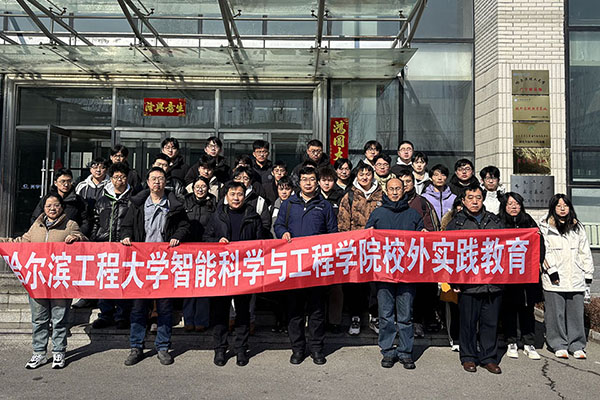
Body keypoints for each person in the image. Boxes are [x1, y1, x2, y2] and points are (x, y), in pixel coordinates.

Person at [1, 193, 86, 369]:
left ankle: (59, 352)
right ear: (44, 208)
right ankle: (39, 353)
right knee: (39, 319)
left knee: (59, 319)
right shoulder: (37, 226)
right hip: (38, 280)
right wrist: (3, 243)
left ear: (62, 207)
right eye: (48, 206)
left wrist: (77, 238)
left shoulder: (70, 225)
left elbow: (84, 241)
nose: (52, 209)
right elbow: (21, 242)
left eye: (56, 205)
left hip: (60, 281)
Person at [120, 166, 190, 366]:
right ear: (148, 182)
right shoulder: (138, 204)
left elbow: (185, 226)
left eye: (160, 178)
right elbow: (125, 226)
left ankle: (163, 347)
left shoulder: (174, 205)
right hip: (141, 262)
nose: (157, 182)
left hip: (164, 263)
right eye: (153, 179)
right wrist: (126, 236)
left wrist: (177, 236)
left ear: (165, 181)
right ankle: (136, 346)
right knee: (138, 307)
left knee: (165, 307)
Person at [274, 166, 338, 366]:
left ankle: (317, 348)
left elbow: (332, 232)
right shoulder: (289, 204)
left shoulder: (324, 205)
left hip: (317, 266)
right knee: (295, 311)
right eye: (304, 179)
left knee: (317, 311)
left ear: (317, 182)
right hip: (294, 266)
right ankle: (298, 349)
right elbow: (278, 225)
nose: (308, 183)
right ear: (299, 182)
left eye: (311, 179)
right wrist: (283, 233)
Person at [204, 181, 265, 367]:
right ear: (226, 196)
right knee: (220, 311)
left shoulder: (253, 216)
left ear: (244, 196)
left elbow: (261, 242)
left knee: (243, 312)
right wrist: (217, 241)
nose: (236, 198)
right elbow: (206, 238)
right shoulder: (217, 216)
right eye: (232, 194)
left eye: (239, 194)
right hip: (222, 270)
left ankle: (241, 349)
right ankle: (220, 349)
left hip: (244, 270)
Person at [365, 178, 424, 370]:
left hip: (407, 273)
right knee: (386, 315)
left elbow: (423, 241)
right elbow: (366, 239)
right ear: (386, 190)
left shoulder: (413, 214)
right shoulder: (377, 213)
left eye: (398, 188)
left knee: (406, 315)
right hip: (384, 273)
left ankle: (406, 352)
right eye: (391, 189)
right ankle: (388, 351)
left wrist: (424, 234)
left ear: (404, 189)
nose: (395, 192)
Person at [446, 183, 503, 374]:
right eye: (470, 198)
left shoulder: (495, 221)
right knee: (468, 323)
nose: (475, 202)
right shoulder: (456, 224)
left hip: (492, 282)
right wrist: (454, 280)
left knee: (490, 323)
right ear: (463, 201)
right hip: (468, 284)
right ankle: (468, 356)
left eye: (478, 197)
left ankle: (489, 357)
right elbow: (449, 254)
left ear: (483, 199)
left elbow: (508, 247)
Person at [539, 194, 594, 360]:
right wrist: (552, 271)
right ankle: (558, 343)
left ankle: (576, 345)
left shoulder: (578, 227)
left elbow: (585, 251)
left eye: (565, 205)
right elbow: (544, 251)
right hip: (554, 277)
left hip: (575, 276)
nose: (562, 209)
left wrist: (588, 273)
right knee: (555, 314)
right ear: (553, 208)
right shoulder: (545, 226)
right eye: (558, 206)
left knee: (575, 313)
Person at [337, 161, 383, 335]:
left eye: (368, 174)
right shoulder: (349, 196)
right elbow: (343, 224)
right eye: (361, 174)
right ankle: (355, 317)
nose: (365, 177)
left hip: (376, 248)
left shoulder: (382, 195)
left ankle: (374, 316)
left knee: (375, 284)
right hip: (355, 247)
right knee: (354, 284)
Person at [498, 192, 544, 360]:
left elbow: (540, 244)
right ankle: (511, 341)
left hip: (526, 274)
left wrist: (538, 261)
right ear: (504, 206)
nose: (514, 207)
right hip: (506, 274)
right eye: (510, 204)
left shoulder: (528, 221)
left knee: (527, 310)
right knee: (508, 309)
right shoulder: (498, 222)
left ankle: (528, 342)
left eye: (517, 203)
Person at [89, 162, 133, 330]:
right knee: (105, 281)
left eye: (122, 177)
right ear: (111, 178)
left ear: (127, 178)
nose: (118, 180)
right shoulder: (102, 200)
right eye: (115, 177)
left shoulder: (132, 200)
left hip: (124, 247)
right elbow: (95, 222)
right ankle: (105, 314)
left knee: (123, 281)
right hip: (104, 246)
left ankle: (122, 315)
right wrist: (94, 241)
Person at [182, 176, 217, 333]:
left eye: (203, 186)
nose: (200, 189)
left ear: (208, 188)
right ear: (193, 188)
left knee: (203, 285)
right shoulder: (185, 202)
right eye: (197, 186)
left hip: (206, 249)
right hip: (187, 250)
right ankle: (188, 319)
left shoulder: (213, 203)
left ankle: (201, 320)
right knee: (188, 285)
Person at [31, 168, 90, 237]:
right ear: (55, 183)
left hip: (71, 239)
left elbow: (86, 222)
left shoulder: (79, 201)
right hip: (49, 237)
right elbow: (36, 218)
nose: (66, 184)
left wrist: (77, 235)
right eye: (63, 181)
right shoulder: (47, 199)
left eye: (69, 181)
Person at [230, 166, 272, 238]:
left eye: (245, 179)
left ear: (251, 181)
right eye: (238, 178)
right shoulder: (226, 199)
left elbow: (265, 224)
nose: (242, 181)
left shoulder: (259, 201)